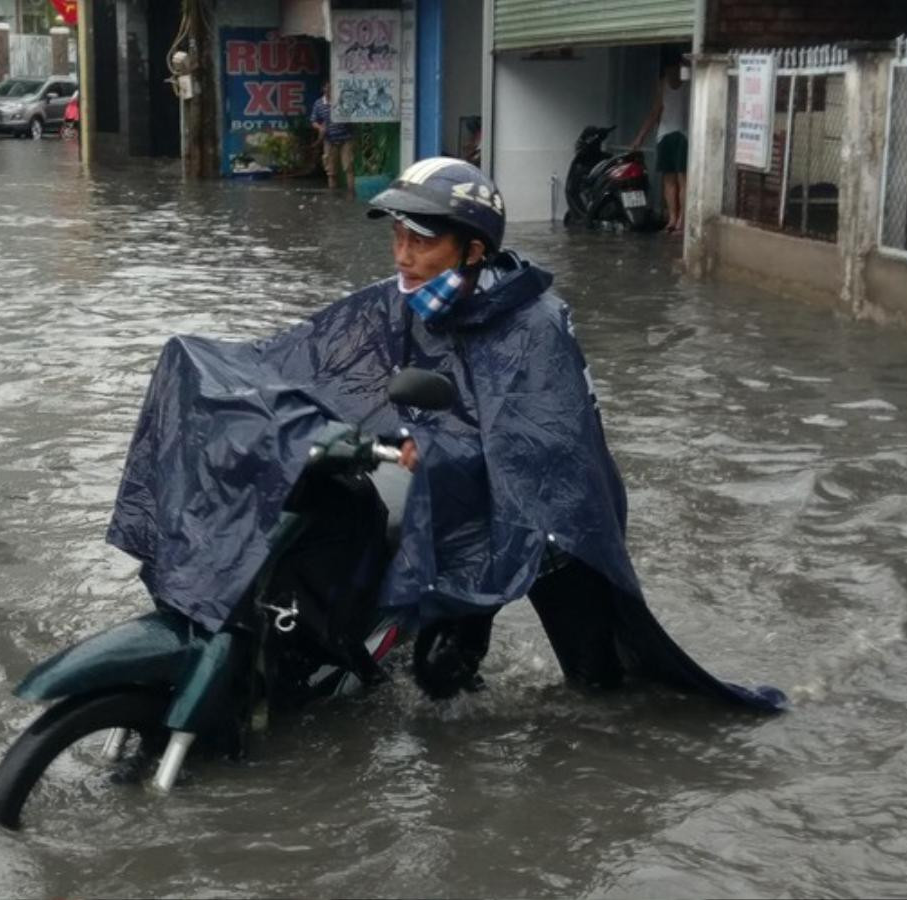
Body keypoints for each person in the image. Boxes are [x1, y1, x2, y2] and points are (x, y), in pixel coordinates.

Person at [109, 156, 785, 713]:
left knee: (603, 691)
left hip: (554, 521)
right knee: (438, 674)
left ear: (475, 249)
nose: (404, 256)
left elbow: (535, 448)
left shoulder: (536, 324)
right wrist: (225, 384)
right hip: (455, 503)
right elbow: (310, 357)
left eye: (422, 241)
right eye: (398, 236)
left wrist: (430, 450)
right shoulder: (405, 295)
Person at [631, 52, 690, 233]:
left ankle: (674, 219)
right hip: (682, 135)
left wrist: (640, 137)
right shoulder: (689, 83)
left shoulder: (665, 83)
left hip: (668, 135)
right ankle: (679, 220)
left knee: (670, 181)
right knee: (681, 181)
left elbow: (655, 112)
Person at [311, 81, 356, 197]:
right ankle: (332, 197)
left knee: (348, 167)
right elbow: (313, 120)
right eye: (327, 88)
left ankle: (351, 194)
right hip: (329, 140)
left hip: (346, 138)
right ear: (323, 89)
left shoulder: (342, 100)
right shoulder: (319, 104)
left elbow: (354, 114)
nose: (329, 90)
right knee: (331, 171)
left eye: (331, 88)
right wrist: (320, 127)